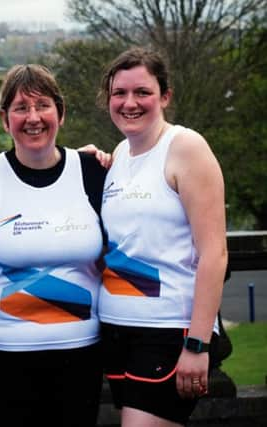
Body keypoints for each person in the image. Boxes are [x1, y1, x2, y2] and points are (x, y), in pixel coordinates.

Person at [0, 64, 107, 427]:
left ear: (61, 112)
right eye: (20, 108)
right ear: (3, 118)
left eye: (42, 105)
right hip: (5, 356)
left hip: (80, 353)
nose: (33, 118)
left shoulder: (93, 171)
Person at [97, 47, 227, 426]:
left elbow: (215, 253)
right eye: (119, 94)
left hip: (170, 332)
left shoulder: (186, 147)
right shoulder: (120, 154)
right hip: (120, 331)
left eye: (142, 92)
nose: (129, 103)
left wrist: (198, 344)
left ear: (165, 96)